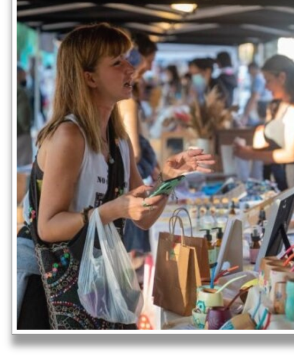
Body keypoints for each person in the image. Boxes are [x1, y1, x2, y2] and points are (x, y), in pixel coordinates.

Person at [16, 23, 214, 329]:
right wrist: (112, 210)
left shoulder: (119, 140)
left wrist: (168, 179)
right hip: (47, 287)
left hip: (95, 279)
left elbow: (143, 217)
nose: (130, 68)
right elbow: (48, 226)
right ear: (90, 77)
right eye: (117, 62)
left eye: (127, 59)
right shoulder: (70, 136)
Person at [234, 55, 294, 221]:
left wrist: (249, 154)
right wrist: (248, 149)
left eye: (268, 80)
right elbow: (271, 145)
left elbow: (290, 154)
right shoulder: (278, 105)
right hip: (276, 182)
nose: (266, 86)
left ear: (282, 77)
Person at [118, 32, 160, 267]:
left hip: (131, 186)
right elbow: (133, 153)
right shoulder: (128, 103)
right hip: (131, 187)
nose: (134, 74)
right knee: (133, 256)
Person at [242, 62, 271, 126]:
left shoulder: (258, 78)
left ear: (252, 69)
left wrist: (246, 115)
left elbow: (254, 97)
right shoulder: (259, 78)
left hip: (261, 108)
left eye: (249, 71)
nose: (249, 73)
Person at [17, 65, 33, 166]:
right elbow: (22, 114)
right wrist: (27, 128)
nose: (25, 78)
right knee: (23, 167)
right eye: (24, 75)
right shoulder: (19, 91)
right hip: (21, 134)